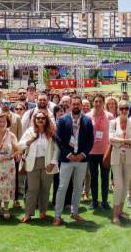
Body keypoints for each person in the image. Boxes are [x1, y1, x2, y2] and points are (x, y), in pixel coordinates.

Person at [53, 96, 94, 226]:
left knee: (77, 188)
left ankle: (74, 212)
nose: (76, 106)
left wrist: (82, 154)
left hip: (81, 160)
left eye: (78, 104)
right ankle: (57, 216)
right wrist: (69, 154)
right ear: (70, 105)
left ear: (81, 106)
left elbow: (90, 141)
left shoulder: (87, 121)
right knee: (62, 187)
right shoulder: (63, 120)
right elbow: (58, 140)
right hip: (66, 159)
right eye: (74, 104)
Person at [18, 111, 59, 222]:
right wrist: (30, 140)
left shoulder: (51, 132)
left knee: (45, 189)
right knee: (32, 189)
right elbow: (19, 146)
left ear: (46, 120)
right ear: (34, 120)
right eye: (38, 118)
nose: (40, 120)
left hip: (48, 163)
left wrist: (53, 162)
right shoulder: (29, 131)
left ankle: (43, 211)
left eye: (43, 118)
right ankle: (28, 214)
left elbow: (56, 149)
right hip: (32, 163)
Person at [109, 100, 131, 225]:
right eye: (121, 108)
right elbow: (111, 139)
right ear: (118, 110)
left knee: (126, 184)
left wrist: (121, 141)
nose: (124, 111)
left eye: (126, 108)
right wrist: (127, 141)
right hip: (116, 157)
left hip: (130, 157)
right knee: (119, 186)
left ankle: (120, 211)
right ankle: (115, 215)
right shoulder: (112, 122)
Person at [87, 94, 113, 210]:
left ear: (103, 103)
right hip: (92, 152)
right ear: (93, 103)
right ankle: (94, 201)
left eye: (100, 101)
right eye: (96, 101)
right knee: (93, 178)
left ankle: (105, 201)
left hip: (105, 152)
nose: (97, 104)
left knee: (105, 177)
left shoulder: (110, 116)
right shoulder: (87, 116)